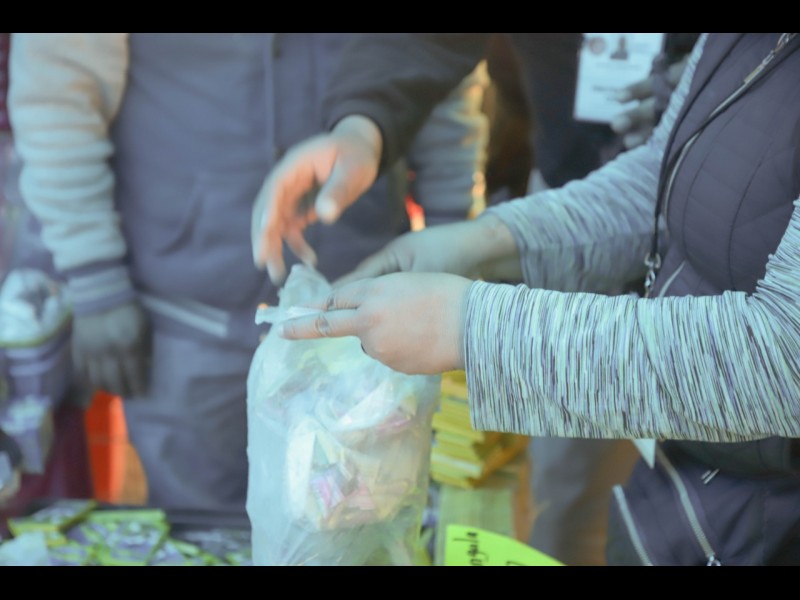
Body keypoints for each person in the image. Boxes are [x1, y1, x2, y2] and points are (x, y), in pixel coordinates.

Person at [254, 33, 800, 566]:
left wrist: (471, 327)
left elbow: (782, 361)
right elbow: (662, 179)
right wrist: (487, 242)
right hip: (694, 496)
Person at [8, 33, 488, 514]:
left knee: (364, 524)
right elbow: (58, 94)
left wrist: (451, 238)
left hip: (363, 320)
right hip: (186, 321)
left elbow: (436, 63)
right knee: (199, 529)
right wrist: (95, 278)